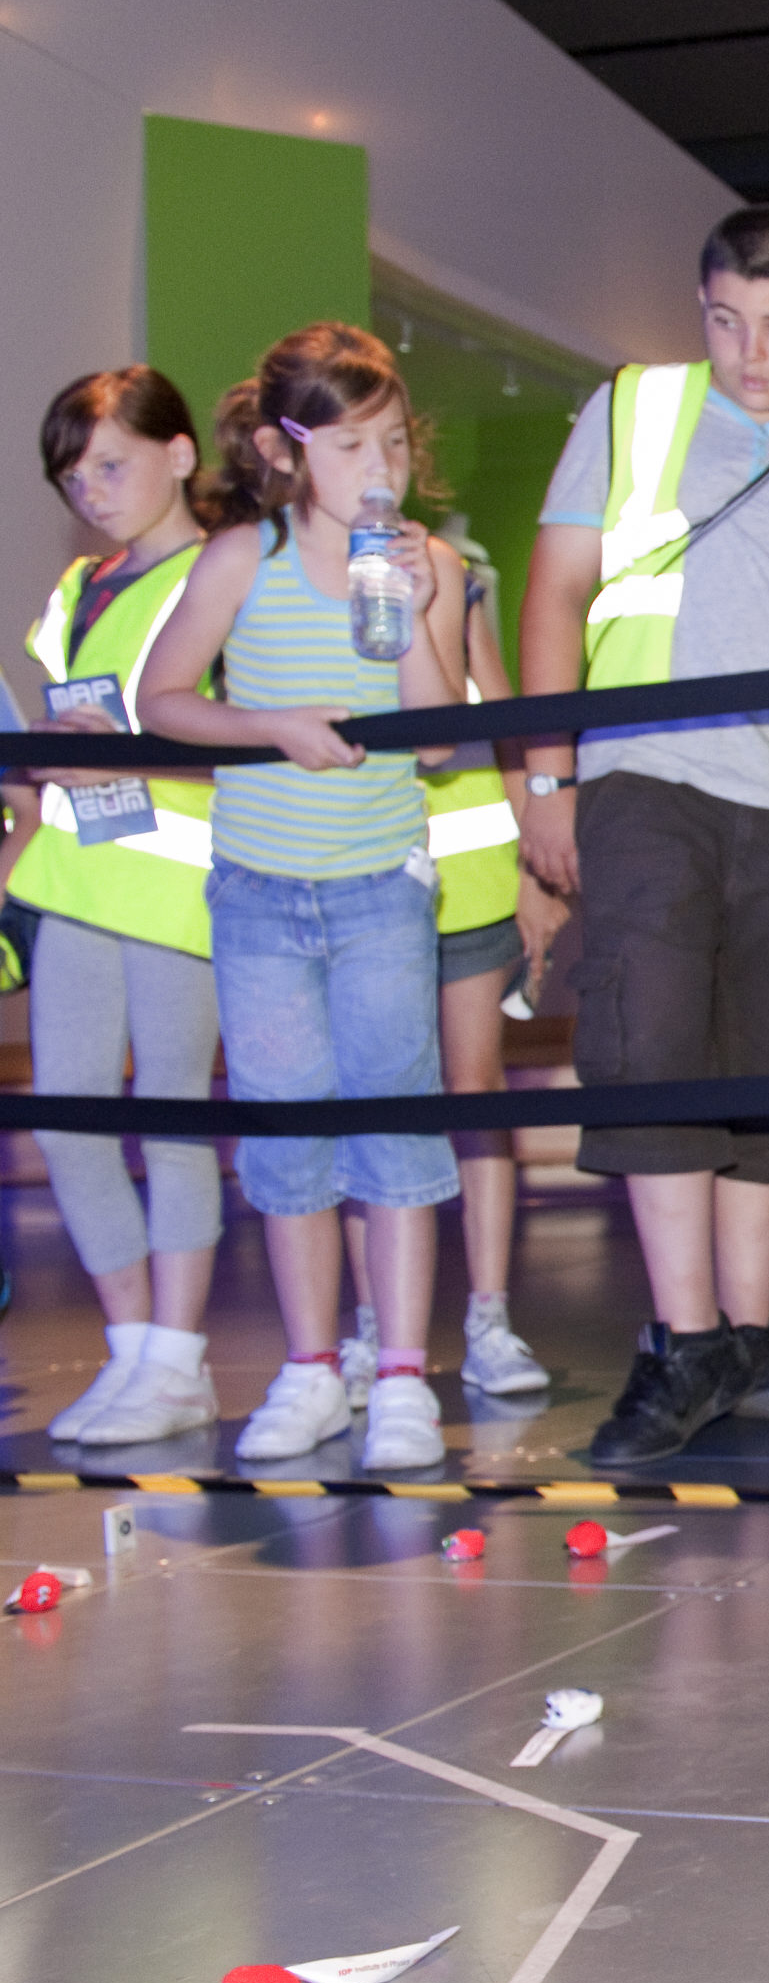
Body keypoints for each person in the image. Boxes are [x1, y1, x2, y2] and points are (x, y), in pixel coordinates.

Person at [515, 206, 769, 1466]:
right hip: (650, 780)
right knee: (654, 1051)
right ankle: (681, 1341)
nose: (753, 350)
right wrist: (545, 777)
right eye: (729, 320)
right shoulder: (633, 410)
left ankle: (745, 1333)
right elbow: (556, 590)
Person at [136, 328, 470, 1470]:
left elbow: (438, 742)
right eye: (348, 444)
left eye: (392, 440)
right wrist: (269, 723)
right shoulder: (244, 557)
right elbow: (164, 698)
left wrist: (431, 606)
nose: (379, 465)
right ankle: (311, 1363)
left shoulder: (425, 556)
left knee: (397, 1130)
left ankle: (404, 1374)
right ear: (290, 451)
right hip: (261, 894)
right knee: (286, 1134)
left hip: (382, 883)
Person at [20, 369, 236, 1445]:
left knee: (173, 1113)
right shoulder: (76, 587)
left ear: (182, 453)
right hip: (75, 875)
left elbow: (251, 738)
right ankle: (135, 1346)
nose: (93, 488)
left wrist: (143, 758)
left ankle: (178, 1356)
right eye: (75, 473)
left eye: (112, 462)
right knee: (65, 1115)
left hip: (180, 883)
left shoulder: (229, 573)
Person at [337, 549, 560, 1411]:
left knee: (475, 1086)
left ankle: (489, 1318)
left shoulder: (445, 564)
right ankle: (370, 1326)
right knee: (372, 1096)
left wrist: (535, 858)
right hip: (358, 861)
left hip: (464, 865)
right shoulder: (290, 567)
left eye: (389, 437)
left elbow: (496, 701)